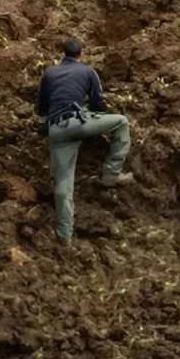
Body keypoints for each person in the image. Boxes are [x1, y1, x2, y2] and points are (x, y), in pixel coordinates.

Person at [36, 37, 133, 245]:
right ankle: (111, 175)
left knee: (63, 185)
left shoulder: (50, 73)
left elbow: (41, 109)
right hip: (79, 122)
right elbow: (99, 103)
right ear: (82, 53)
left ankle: (64, 236)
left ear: (62, 53)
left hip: (57, 130)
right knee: (121, 123)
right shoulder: (88, 71)